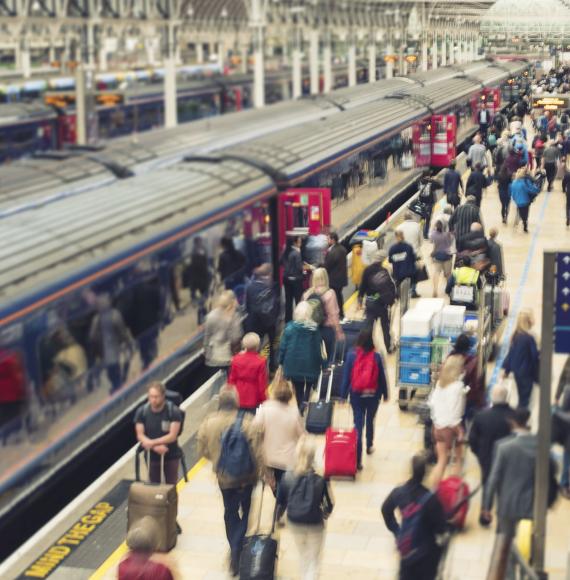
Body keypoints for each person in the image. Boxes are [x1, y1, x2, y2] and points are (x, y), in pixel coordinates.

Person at [197, 386, 262, 576]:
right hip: (247, 477)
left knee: (229, 512)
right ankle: (236, 547)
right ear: (237, 403)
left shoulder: (208, 423)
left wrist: (217, 460)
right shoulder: (248, 422)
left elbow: (202, 451)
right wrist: (264, 473)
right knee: (247, 510)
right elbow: (258, 452)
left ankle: (234, 549)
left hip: (224, 478)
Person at [481, 408, 558, 536]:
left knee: (505, 543)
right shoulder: (542, 446)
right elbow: (554, 469)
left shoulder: (503, 448)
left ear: (512, 423)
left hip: (507, 505)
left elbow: (493, 479)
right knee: (529, 543)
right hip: (533, 505)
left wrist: (487, 507)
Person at [381, 453, 447, 580]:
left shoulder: (399, 492)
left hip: (407, 553)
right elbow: (441, 528)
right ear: (425, 473)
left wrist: (397, 531)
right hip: (426, 556)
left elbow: (385, 510)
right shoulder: (431, 499)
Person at [277, 437, 334, 580]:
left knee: (303, 555)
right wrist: (325, 514)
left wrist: (278, 518)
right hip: (315, 523)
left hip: (295, 522)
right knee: (314, 560)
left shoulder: (287, 477)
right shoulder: (321, 478)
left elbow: (280, 502)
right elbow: (329, 504)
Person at [340, 327, 389, 470]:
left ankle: (358, 460)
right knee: (370, 420)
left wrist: (343, 395)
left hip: (356, 395)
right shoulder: (377, 357)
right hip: (373, 395)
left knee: (358, 425)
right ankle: (369, 445)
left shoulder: (351, 355)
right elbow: (382, 378)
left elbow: (346, 377)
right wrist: (385, 394)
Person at [468, 383, 514, 526]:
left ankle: (485, 513)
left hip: (486, 457)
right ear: (506, 398)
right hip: (508, 459)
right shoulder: (514, 416)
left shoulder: (481, 416)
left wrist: (479, 454)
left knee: (487, 484)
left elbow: (472, 439)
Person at [253, 373, 304, 497]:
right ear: (290, 396)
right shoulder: (294, 412)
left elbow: (255, 427)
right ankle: (282, 499)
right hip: (288, 458)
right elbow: (301, 435)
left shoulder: (265, 408)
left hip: (269, 457)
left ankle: (278, 496)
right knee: (284, 482)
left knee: (273, 481)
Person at [279, 302, 327, 412]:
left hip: (292, 364)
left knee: (297, 386)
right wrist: (323, 365)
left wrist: (280, 362)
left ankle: (300, 403)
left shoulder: (289, 328)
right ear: (310, 313)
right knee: (309, 382)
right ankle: (305, 399)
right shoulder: (314, 329)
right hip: (310, 364)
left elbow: (283, 347)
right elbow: (319, 349)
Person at [428, 355, 467, 486]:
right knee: (458, 460)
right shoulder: (458, 386)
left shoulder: (440, 384)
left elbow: (432, 403)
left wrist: (437, 421)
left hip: (437, 427)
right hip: (451, 428)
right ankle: (454, 491)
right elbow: (456, 411)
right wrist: (459, 430)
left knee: (441, 461)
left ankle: (434, 491)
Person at [135, 382, 182, 484]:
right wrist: (155, 447)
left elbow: (172, 436)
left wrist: (151, 443)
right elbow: (140, 435)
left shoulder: (173, 412)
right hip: (151, 456)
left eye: (156, 397)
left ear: (163, 396)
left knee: (171, 486)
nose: (153, 400)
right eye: (151, 396)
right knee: (154, 485)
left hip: (171, 455)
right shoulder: (142, 412)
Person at [88, 293, 133, 393]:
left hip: (107, 352)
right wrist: (127, 343)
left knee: (112, 371)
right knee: (116, 370)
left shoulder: (97, 319)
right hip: (114, 350)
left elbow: (92, 337)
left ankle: (117, 386)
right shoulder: (114, 315)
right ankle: (119, 386)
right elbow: (122, 331)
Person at [303, 268, 344, 364]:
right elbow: (334, 315)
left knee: (313, 359)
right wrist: (339, 332)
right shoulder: (330, 293)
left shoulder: (307, 294)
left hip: (311, 330)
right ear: (326, 278)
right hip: (327, 331)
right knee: (328, 359)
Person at [358, 250, 397, 352]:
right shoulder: (384, 271)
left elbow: (362, 287)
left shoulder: (367, 270)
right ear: (382, 260)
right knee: (385, 327)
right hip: (382, 304)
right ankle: (389, 347)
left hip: (370, 303)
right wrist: (392, 299)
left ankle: (367, 348)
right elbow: (391, 287)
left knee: (369, 327)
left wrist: (360, 301)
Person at [501, 309, 540, 409]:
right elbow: (535, 357)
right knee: (525, 402)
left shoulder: (515, 336)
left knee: (522, 399)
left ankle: (519, 419)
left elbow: (511, 354)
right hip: (527, 374)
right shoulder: (529, 338)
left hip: (518, 374)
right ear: (528, 321)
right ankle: (521, 421)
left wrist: (506, 371)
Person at [244, 263, 280, 371]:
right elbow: (277, 304)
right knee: (272, 346)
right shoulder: (272, 286)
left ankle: (257, 367)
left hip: (256, 323)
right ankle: (273, 366)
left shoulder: (250, 288)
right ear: (269, 274)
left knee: (256, 347)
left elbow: (247, 307)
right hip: (270, 323)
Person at [203, 290, 243, 374]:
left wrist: (207, 356)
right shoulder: (234, 316)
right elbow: (236, 337)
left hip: (213, 358)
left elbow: (207, 337)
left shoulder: (210, 316)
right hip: (228, 358)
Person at [227, 333, 268, 413]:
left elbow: (231, 379)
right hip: (254, 397)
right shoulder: (260, 361)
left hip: (238, 396)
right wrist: (264, 399)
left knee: (238, 420)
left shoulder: (236, 359)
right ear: (257, 346)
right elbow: (262, 383)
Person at [449, 333, 483, 417]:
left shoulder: (449, 358)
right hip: (465, 397)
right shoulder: (472, 361)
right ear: (468, 347)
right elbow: (474, 383)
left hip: (451, 396)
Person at [324, 231, 348, 320]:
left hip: (334, 279)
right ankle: (340, 314)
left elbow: (328, 265)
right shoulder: (342, 249)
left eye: (328, 239)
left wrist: (319, 266)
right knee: (338, 296)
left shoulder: (333, 252)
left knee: (336, 297)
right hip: (341, 278)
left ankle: (339, 314)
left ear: (333, 240)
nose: (327, 241)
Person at [509, 167, 540, 233]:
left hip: (518, 201)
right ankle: (525, 223)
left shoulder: (514, 183)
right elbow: (530, 190)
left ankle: (520, 221)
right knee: (525, 213)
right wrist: (537, 190)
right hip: (526, 201)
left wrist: (515, 199)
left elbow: (512, 193)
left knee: (520, 211)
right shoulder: (525, 182)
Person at [389, 230, 419, 298]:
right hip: (409, 271)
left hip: (397, 273)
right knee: (416, 274)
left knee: (396, 279)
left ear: (396, 237)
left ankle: (397, 292)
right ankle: (413, 291)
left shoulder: (392, 248)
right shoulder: (408, 246)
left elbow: (390, 260)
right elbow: (414, 258)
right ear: (403, 236)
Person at [282, 236, 305, 322]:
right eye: (299, 242)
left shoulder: (286, 252)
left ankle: (288, 320)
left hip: (286, 279)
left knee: (288, 301)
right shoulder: (297, 253)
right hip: (296, 280)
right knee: (298, 300)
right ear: (295, 243)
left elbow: (281, 262)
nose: (301, 244)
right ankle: (299, 319)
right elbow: (299, 267)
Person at [429, 220, 454, 298]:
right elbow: (451, 243)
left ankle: (435, 290)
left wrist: (433, 228)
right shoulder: (447, 235)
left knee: (436, 272)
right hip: (447, 256)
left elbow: (430, 241)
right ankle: (449, 290)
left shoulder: (433, 234)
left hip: (437, 256)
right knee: (448, 274)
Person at [563, 157, 570, 226]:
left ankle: (568, 217)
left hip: (569, 192)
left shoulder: (567, 174)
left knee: (568, 205)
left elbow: (564, 182)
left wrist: (563, 189)